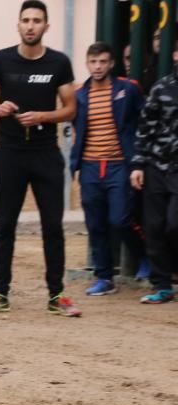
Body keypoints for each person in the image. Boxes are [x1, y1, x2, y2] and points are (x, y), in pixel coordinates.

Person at [0, 0, 80, 316]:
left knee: (53, 226)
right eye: (26, 20)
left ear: (46, 26)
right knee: (5, 224)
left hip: (46, 153)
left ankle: (57, 295)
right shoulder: (1, 60)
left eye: (37, 20)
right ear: (18, 25)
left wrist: (44, 117)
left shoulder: (59, 63)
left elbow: (71, 109)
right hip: (9, 153)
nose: (31, 25)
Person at [71, 41, 146, 296]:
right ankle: (104, 278)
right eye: (93, 62)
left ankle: (144, 258)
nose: (98, 67)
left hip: (118, 165)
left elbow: (145, 120)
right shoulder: (80, 94)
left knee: (121, 218)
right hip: (90, 166)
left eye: (103, 61)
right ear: (87, 64)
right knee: (95, 223)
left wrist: (138, 160)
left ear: (111, 63)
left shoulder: (128, 89)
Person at [131, 42, 178, 305]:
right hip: (156, 166)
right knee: (154, 226)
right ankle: (162, 285)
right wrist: (138, 165)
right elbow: (145, 127)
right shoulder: (161, 88)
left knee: (175, 223)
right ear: (174, 55)